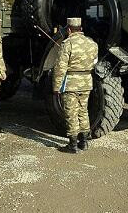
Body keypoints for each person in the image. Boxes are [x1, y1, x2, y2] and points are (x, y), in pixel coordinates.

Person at [53, 17, 98, 154]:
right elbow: (94, 62)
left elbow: (60, 68)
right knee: (83, 111)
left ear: (69, 30)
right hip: (86, 81)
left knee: (71, 113)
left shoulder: (67, 44)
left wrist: (56, 87)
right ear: (81, 29)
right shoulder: (92, 44)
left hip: (71, 83)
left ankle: (72, 145)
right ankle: (84, 142)